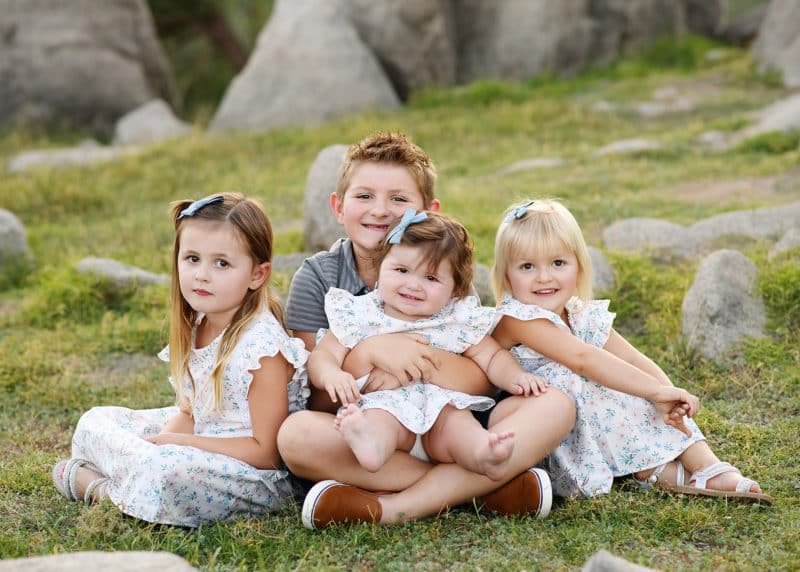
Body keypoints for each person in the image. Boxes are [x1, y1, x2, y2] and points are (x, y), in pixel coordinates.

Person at [278, 132, 577, 528]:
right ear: (338, 206)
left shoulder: (453, 277)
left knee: (557, 405)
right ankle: (485, 489)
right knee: (295, 435)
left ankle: (392, 507)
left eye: (399, 200)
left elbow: (485, 379)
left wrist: (423, 362)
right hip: (377, 427)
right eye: (364, 196)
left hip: (451, 424)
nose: (380, 211)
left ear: (429, 212)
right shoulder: (321, 282)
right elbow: (315, 398)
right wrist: (369, 354)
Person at [52, 192, 311, 526]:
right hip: (201, 440)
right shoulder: (200, 324)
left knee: (166, 470)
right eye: (192, 258)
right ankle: (134, 480)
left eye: (222, 263)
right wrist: (158, 444)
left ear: (257, 275)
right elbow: (190, 412)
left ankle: (101, 489)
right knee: (94, 421)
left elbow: (267, 454)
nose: (202, 274)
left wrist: (175, 446)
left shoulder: (260, 347)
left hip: (251, 474)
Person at [490, 198, 772, 504]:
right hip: (543, 428)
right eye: (527, 266)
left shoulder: (580, 314)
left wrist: (668, 393)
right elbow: (583, 360)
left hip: (595, 424)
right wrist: (653, 391)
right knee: (582, 378)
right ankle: (651, 469)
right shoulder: (517, 318)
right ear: (507, 275)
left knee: (637, 380)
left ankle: (705, 464)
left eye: (558, 263)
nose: (544, 277)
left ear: (578, 266)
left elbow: (632, 358)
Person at [312, 209, 548, 480]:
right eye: (401, 270)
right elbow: (324, 354)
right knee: (378, 418)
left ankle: (483, 453)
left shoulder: (455, 318)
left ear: (455, 289)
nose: (413, 285)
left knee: (457, 423)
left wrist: (516, 377)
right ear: (379, 268)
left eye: (431, 278)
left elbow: (491, 357)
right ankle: (371, 445)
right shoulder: (359, 313)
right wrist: (333, 373)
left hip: (440, 413)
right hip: (385, 408)